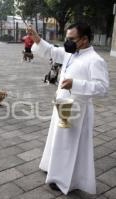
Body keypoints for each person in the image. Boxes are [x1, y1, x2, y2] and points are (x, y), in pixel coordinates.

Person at [28, 22, 109, 195]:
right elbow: (51, 51)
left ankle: (63, 179)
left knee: (68, 145)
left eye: (72, 39)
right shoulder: (71, 53)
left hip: (78, 110)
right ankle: (52, 167)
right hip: (63, 104)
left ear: (85, 39)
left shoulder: (95, 60)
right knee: (57, 138)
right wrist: (37, 38)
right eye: (67, 38)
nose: (67, 42)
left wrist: (76, 84)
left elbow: (103, 88)